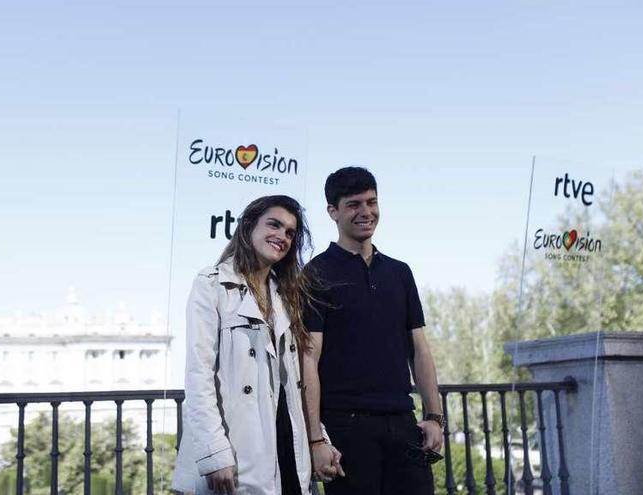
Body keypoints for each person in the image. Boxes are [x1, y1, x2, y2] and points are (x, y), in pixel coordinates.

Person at [173, 195, 339, 495]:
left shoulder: (288, 295)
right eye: (274, 225)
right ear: (249, 226)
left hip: (286, 447)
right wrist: (214, 451)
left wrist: (319, 438)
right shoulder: (211, 284)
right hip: (236, 450)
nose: (282, 237)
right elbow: (199, 376)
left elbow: (295, 382)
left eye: (290, 232)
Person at [302, 167, 444, 495]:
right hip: (346, 427)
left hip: (403, 421)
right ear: (332, 212)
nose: (366, 212)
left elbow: (420, 349)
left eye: (372, 202)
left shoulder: (400, 272)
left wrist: (435, 416)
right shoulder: (315, 274)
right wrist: (316, 438)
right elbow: (308, 359)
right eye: (354, 204)